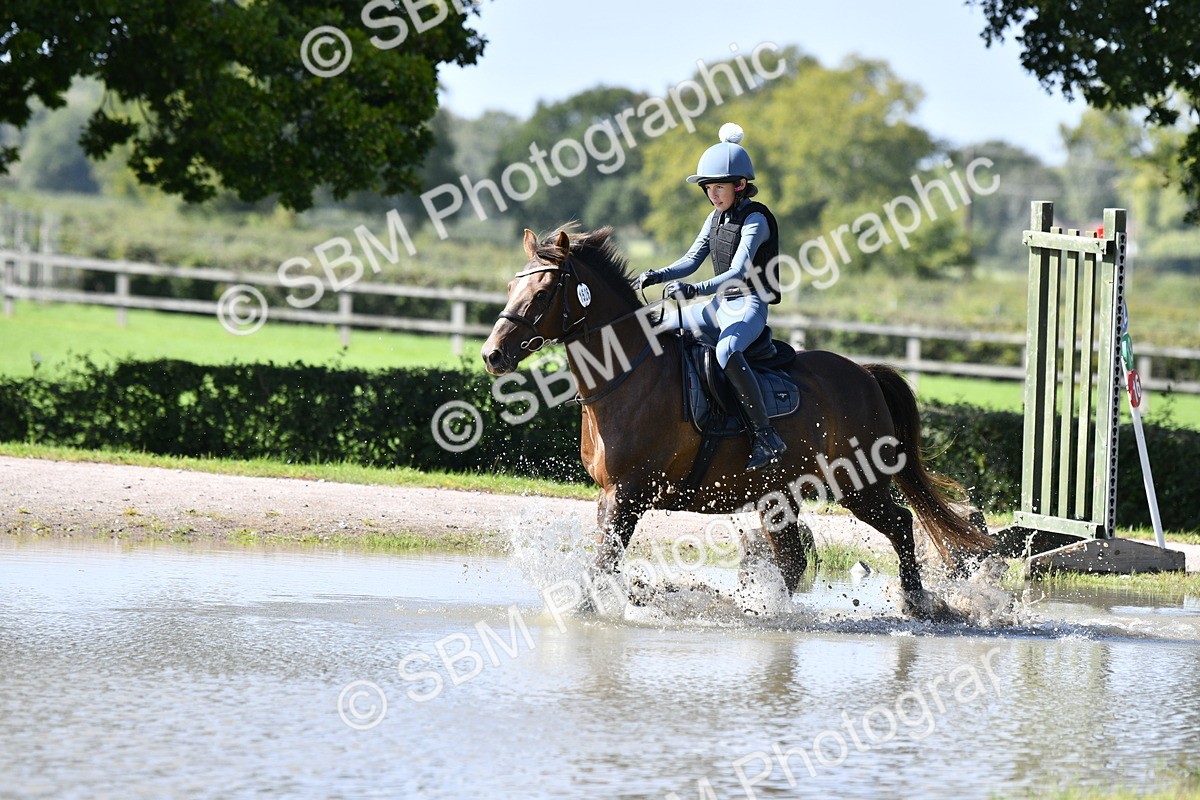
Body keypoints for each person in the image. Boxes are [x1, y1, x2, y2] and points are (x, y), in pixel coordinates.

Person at [637, 122, 786, 472]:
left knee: (726, 350)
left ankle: (766, 436)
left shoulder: (756, 220)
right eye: (709, 189)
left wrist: (695, 290)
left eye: (719, 188)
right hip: (718, 306)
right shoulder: (715, 217)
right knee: (656, 322)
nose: (713, 195)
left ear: (740, 185)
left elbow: (737, 272)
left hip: (747, 305)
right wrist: (659, 274)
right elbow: (691, 260)